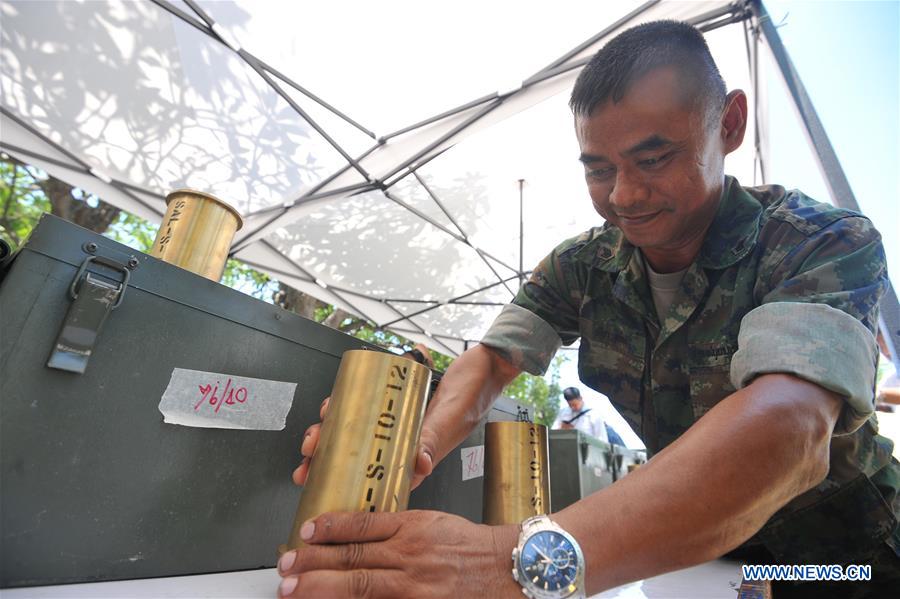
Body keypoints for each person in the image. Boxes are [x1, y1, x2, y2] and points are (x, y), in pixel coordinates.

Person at [281, 20, 899, 598]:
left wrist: (510, 561)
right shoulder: (581, 266)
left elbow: (790, 427)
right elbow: (493, 360)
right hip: (695, 557)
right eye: (599, 170)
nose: (624, 195)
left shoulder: (820, 242)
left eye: (653, 160)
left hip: (847, 555)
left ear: (730, 124)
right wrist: (417, 440)